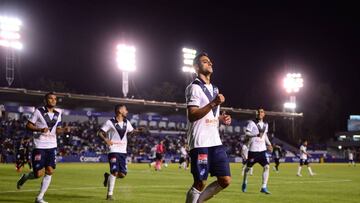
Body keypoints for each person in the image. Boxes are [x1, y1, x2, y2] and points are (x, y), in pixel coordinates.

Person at [185, 52, 232, 203]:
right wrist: (214, 103)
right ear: (196, 67)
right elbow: (192, 115)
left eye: (210, 61)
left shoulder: (215, 89)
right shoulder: (193, 88)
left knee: (225, 180)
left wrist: (221, 118)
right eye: (205, 62)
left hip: (215, 142)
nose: (210, 63)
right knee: (200, 183)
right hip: (200, 143)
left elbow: (209, 116)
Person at [17, 92, 70, 203]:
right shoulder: (38, 111)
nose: (53, 100)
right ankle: (25, 177)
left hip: (52, 146)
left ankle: (40, 197)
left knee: (50, 171)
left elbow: (57, 130)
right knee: (38, 174)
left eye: (55, 99)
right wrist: (39, 130)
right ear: (45, 100)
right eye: (50, 98)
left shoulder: (58, 113)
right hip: (39, 145)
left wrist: (64, 130)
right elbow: (28, 125)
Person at [98, 104, 144, 201]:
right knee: (114, 172)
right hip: (113, 150)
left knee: (122, 174)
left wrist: (138, 130)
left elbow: (131, 132)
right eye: (125, 109)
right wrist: (106, 140)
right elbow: (100, 132)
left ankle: (108, 176)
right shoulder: (110, 122)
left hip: (123, 152)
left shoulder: (127, 122)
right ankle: (109, 195)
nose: (127, 111)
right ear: (119, 111)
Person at [242, 108, 273, 194]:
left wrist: (269, 144)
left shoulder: (266, 124)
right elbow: (246, 134)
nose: (260, 113)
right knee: (248, 169)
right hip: (253, 150)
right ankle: (244, 182)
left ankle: (263, 187)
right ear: (256, 114)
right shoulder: (252, 123)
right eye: (258, 112)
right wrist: (255, 134)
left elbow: (264, 135)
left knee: (267, 167)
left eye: (262, 112)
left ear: (264, 114)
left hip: (262, 151)